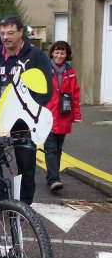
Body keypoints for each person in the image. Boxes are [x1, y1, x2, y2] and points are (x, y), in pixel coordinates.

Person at [0, 15, 53, 205]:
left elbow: (46, 91)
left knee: (26, 167)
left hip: (23, 123)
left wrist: (30, 112)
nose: (5, 37)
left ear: (20, 32)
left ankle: (25, 205)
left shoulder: (36, 56)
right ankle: (3, 204)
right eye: (2, 33)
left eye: (10, 33)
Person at [44, 40, 81, 192]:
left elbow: (75, 94)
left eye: (62, 52)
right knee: (50, 148)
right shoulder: (45, 69)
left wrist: (76, 114)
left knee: (58, 148)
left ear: (67, 55)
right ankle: (54, 179)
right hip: (48, 114)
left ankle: (51, 177)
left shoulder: (70, 71)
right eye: (56, 52)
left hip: (64, 114)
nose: (59, 55)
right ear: (52, 53)